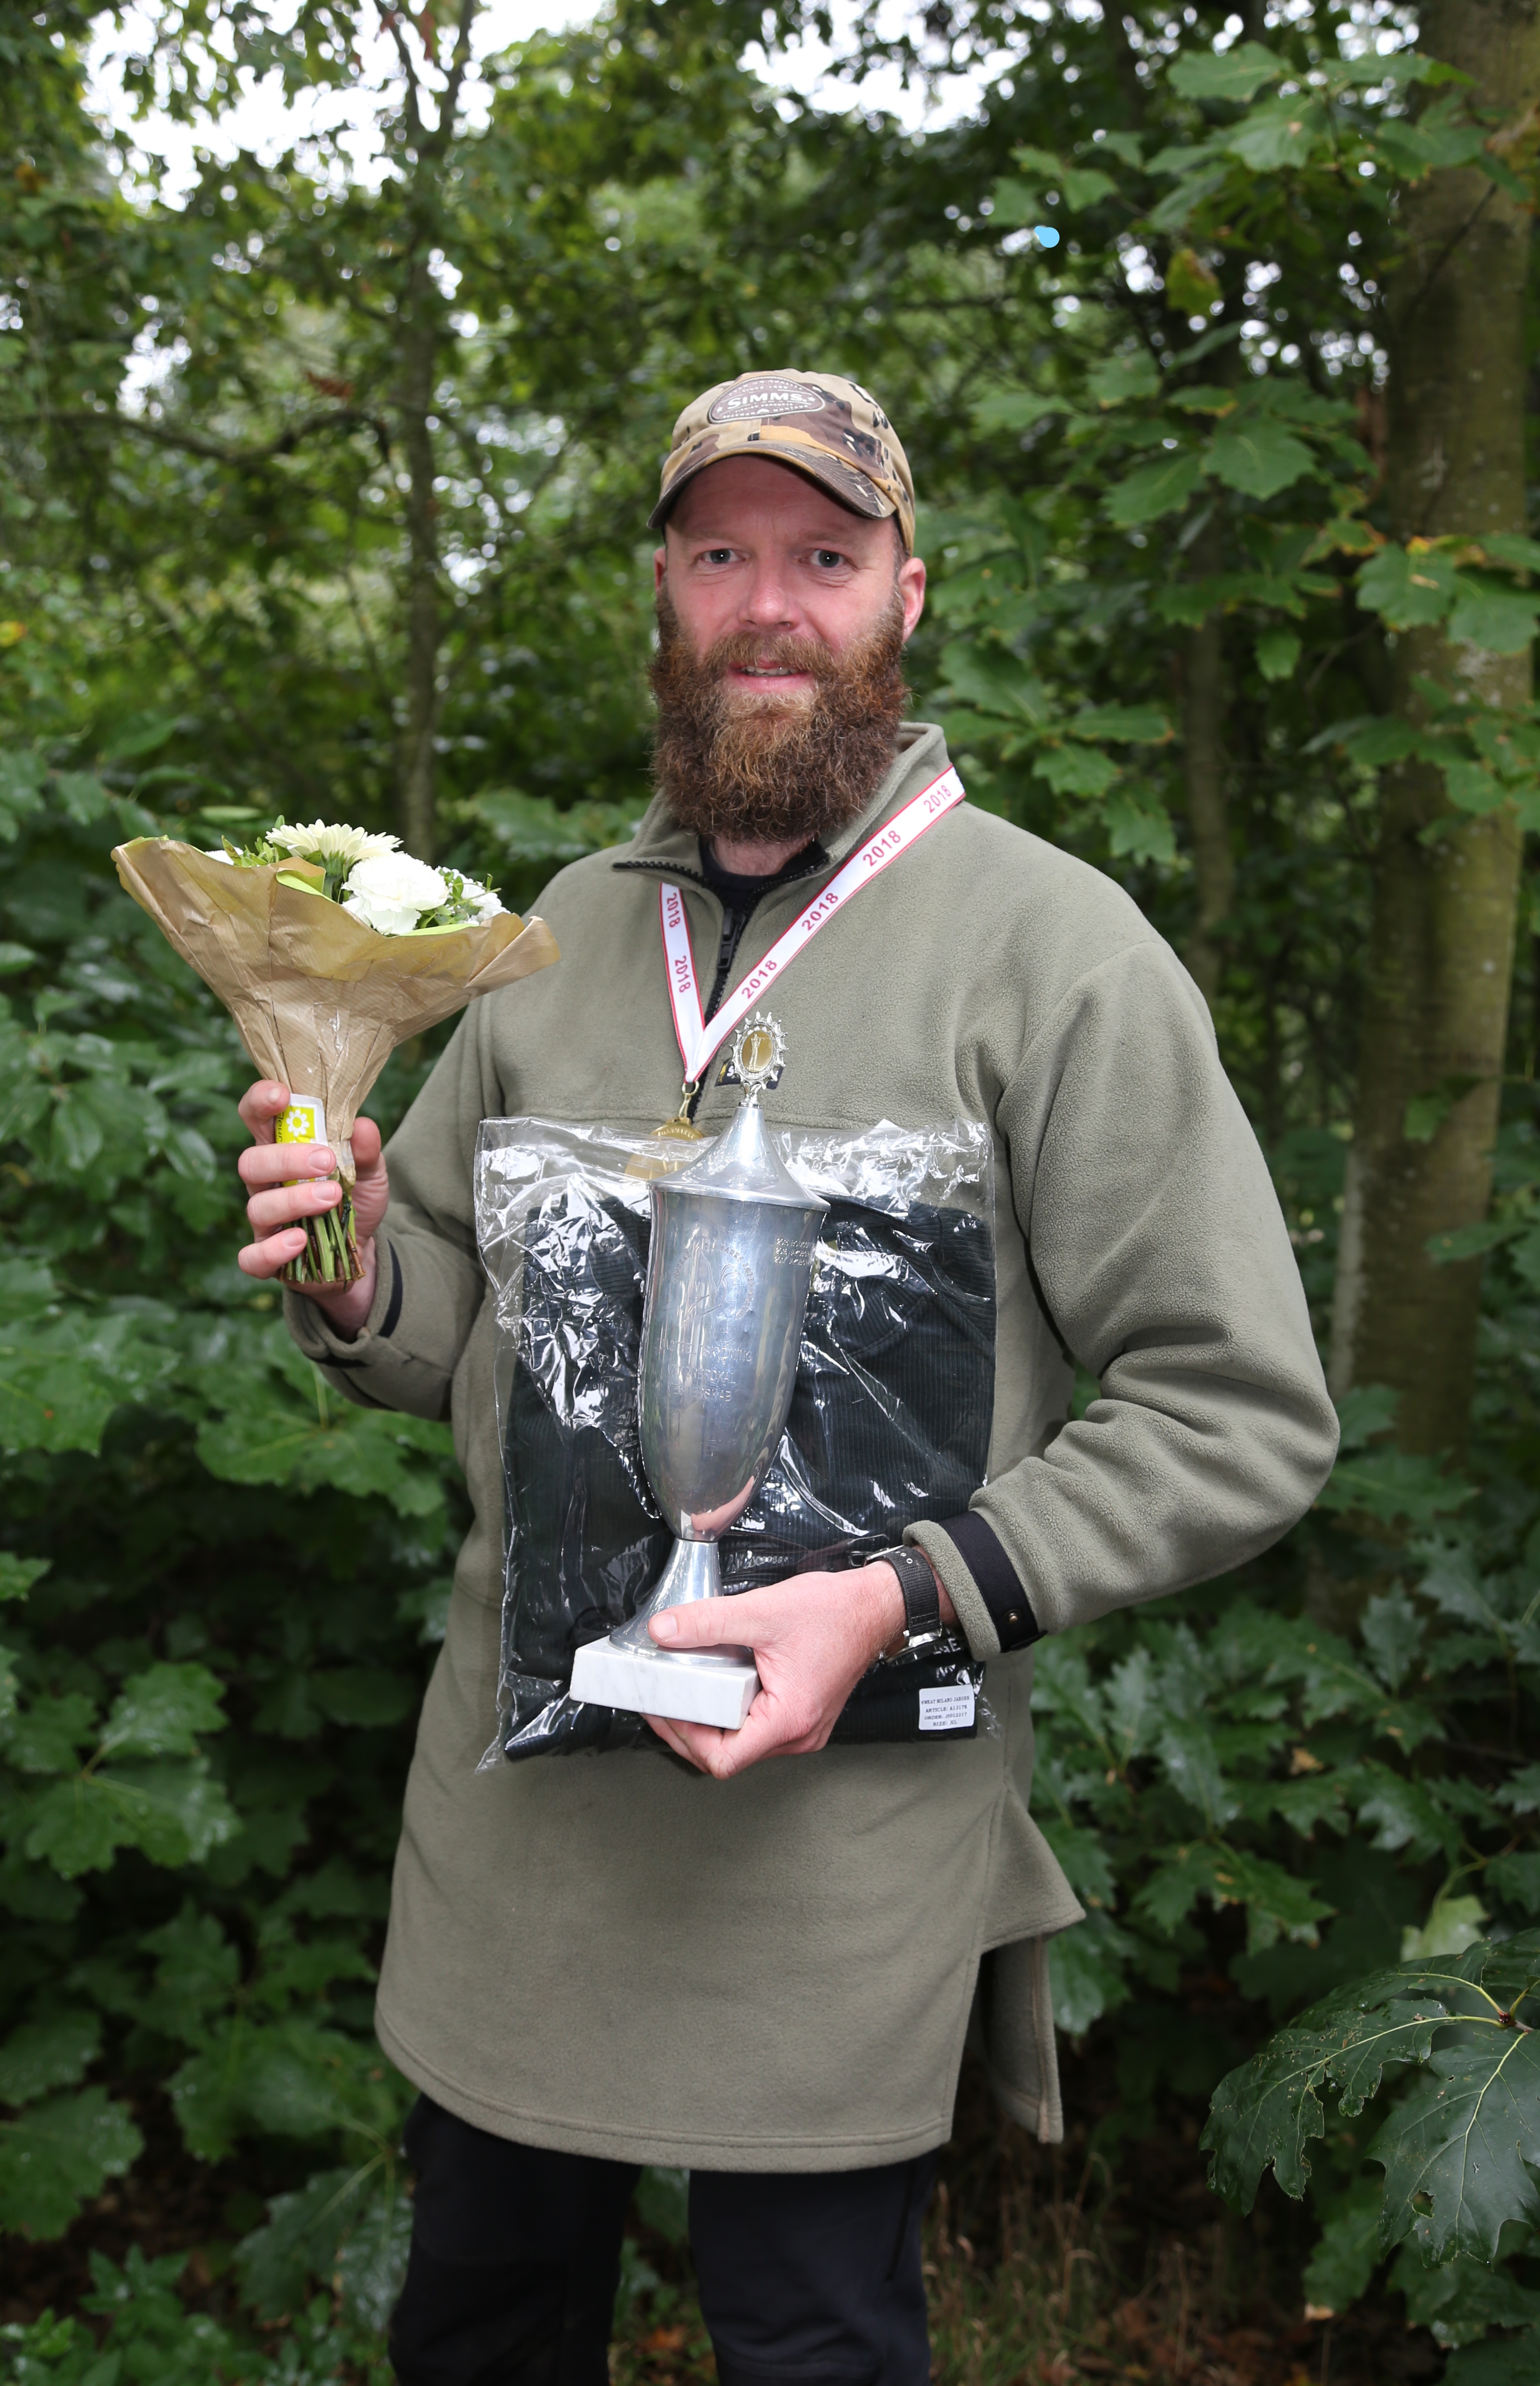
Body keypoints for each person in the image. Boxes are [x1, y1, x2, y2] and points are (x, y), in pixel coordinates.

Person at [236, 369, 1339, 2386]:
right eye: (721, 553)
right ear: (664, 596)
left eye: (823, 557)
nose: (770, 604)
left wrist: (909, 1592)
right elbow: (453, 1338)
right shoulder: (553, 940)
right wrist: (362, 1254)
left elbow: (1240, 1410)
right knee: (478, 2324)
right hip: (518, 1850)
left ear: (905, 593)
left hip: (837, 1859)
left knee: (814, 2343)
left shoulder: (1054, 954)